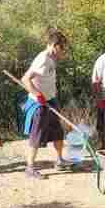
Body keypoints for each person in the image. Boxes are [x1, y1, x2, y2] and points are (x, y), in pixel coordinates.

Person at [22, 29, 74, 179]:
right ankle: (30, 167)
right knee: (37, 135)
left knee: (57, 132)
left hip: (50, 100)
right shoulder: (43, 59)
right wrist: (38, 95)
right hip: (39, 104)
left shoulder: (51, 58)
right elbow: (25, 79)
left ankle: (60, 160)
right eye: (62, 48)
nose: (63, 51)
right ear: (54, 45)